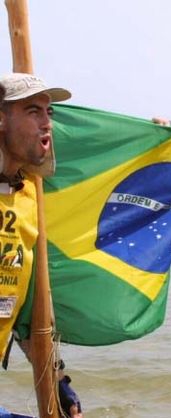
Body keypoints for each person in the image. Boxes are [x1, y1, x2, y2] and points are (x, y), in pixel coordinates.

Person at [0, 73, 83, 418]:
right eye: (33, 111)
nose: (47, 123)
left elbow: (23, 311)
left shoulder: (30, 194)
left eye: (49, 113)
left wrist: (59, 382)